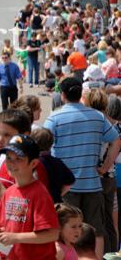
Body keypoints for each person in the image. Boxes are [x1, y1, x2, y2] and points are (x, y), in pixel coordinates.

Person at [44, 76, 121, 258]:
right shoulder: (97, 117)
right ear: (80, 94)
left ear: (62, 95)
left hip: (65, 186)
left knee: (65, 231)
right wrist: (105, 166)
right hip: (92, 183)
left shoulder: (54, 118)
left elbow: (43, 144)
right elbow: (116, 140)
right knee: (96, 230)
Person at [0, 134, 60, 259]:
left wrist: (16, 237)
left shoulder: (39, 193)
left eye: (19, 158)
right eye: (8, 158)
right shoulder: (9, 192)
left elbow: (52, 234)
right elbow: (6, 229)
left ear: (34, 163)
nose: (12, 163)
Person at [30, 128, 75, 204]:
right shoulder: (58, 162)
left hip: (39, 203)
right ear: (51, 144)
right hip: (55, 203)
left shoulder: (33, 163)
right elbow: (70, 181)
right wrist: (58, 195)